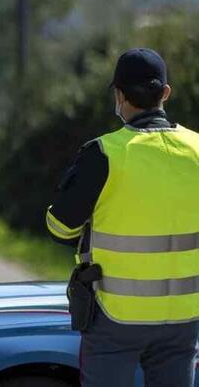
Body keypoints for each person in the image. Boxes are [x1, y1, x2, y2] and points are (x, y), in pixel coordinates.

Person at [45, 48, 199, 386]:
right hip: (184, 316)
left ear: (118, 95)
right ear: (166, 93)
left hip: (116, 317)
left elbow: (59, 228)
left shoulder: (103, 154)